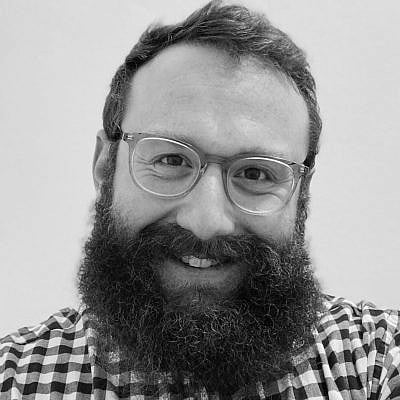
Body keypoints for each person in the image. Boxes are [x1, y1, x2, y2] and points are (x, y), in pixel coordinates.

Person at [1, 1, 399, 398]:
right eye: (170, 160)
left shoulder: (380, 360)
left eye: (256, 174)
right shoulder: (12, 380)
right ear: (105, 166)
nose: (206, 221)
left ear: (302, 193)